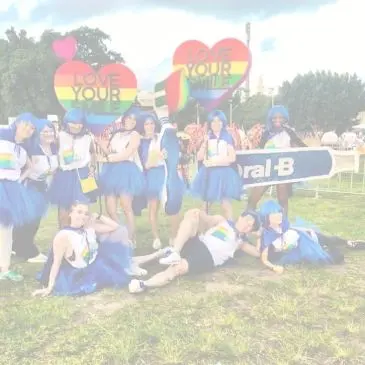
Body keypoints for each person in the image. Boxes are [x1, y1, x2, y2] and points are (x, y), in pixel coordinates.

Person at [128, 208, 261, 293]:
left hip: (207, 256)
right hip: (199, 241)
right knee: (191, 216)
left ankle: (143, 284)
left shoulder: (240, 242)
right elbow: (207, 219)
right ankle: (175, 251)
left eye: (251, 226)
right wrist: (198, 213)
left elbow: (257, 253)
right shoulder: (222, 221)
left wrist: (259, 236)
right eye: (248, 220)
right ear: (241, 217)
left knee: (177, 269)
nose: (247, 225)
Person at [258, 200, 365, 274]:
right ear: (266, 217)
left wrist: (306, 232)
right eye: (274, 214)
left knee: (330, 240)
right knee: (336, 256)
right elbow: (264, 257)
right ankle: (332, 247)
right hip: (302, 248)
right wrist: (274, 267)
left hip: (309, 237)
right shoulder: (268, 235)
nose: (279, 216)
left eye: (279, 213)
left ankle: (349, 243)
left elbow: (295, 231)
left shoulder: (284, 225)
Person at [0, 113, 47, 281]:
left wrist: (21, 177)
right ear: (18, 123)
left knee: (6, 229)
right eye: (26, 124)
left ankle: (4, 268)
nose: (29, 129)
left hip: (12, 189)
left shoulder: (24, 149)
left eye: (33, 128)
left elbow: (29, 166)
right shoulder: (2, 135)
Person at [96, 108, 145, 246]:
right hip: (111, 171)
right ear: (124, 119)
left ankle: (131, 238)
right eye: (129, 118)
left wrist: (106, 159)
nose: (130, 121)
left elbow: (127, 154)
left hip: (126, 171)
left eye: (134, 119)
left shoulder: (135, 135)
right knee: (110, 208)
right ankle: (121, 234)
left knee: (126, 206)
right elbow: (111, 152)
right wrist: (101, 145)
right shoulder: (117, 134)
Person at [247, 105, 307, 214]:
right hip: (267, 169)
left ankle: (283, 223)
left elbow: (302, 147)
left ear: (285, 119)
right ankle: (249, 218)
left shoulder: (290, 132)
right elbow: (260, 150)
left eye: (280, 117)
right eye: (275, 118)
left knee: (282, 199)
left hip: (284, 170)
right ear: (271, 119)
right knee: (254, 197)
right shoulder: (266, 133)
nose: (277, 120)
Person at [48, 108, 98, 227]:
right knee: (64, 211)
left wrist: (92, 168)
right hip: (64, 175)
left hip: (83, 175)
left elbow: (93, 153)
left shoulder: (88, 138)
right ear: (67, 122)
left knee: (82, 210)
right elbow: (52, 153)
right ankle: (64, 237)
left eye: (79, 123)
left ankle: (82, 239)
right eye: (73, 122)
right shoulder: (60, 136)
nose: (76, 126)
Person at [191, 110, 241, 220]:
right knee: (206, 205)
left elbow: (232, 158)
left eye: (219, 121)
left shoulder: (227, 137)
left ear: (223, 123)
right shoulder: (207, 137)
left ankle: (231, 229)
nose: (216, 124)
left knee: (225, 204)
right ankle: (202, 230)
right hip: (209, 173)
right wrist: (204, 143)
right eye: (213, 121)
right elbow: (199, 157)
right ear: (210, 123)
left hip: (224, 173)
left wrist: (216, 162)